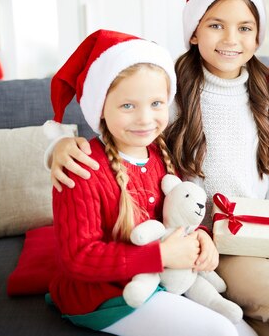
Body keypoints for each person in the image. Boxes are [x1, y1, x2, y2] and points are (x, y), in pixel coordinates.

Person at [47, 0, 269, 336]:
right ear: (194, 33)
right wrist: (58, 146)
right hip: (206, 242)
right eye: (216, 25)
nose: (231, 39)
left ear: (258, 37)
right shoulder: (169, 100)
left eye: (244, 28)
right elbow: (117, 141)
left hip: (260, 233)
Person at [44, 29, 252, 336]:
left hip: (163, 277)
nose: (145, 119)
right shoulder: (82, 167)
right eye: (128, 106)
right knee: (221, 331)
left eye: (156, 104)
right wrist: (162, 255)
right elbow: (79, 258)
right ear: (101, 107)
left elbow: (179, 213)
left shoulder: (159, 153)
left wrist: (202, 237)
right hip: (106, 294)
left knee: (243, 328)